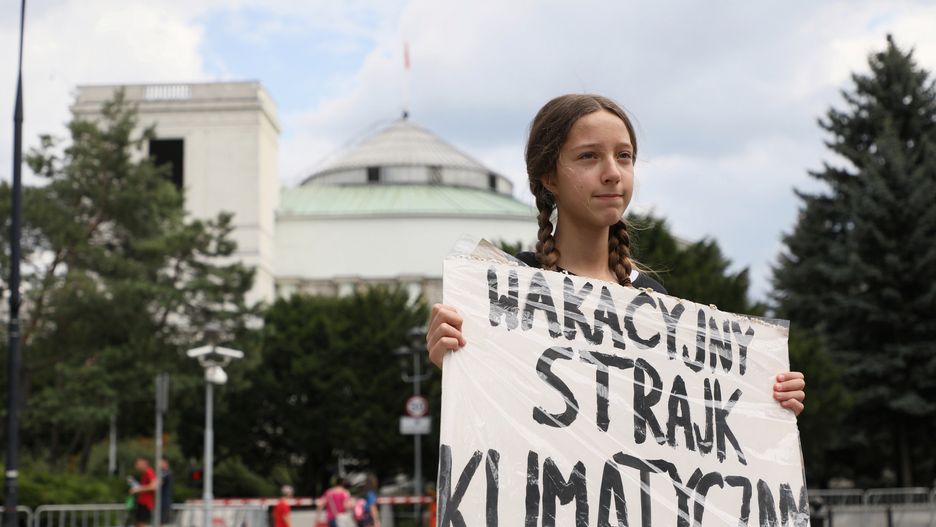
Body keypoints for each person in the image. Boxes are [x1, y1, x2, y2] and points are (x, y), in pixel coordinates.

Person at [425, 93, 806, 416]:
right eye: (589, 157)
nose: (612, 173)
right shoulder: (507, 286)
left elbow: (681, 421)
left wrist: (766, 398)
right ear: (549, 177)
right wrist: (455, 364)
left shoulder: (655, 299)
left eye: (624, 156)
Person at [129, 457, 158, 527]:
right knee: (137, 523)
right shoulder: (144, 473)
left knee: (141, 524)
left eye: (138, 464)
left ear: (144, 463)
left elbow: (154, 486)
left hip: (146, 504)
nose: (136, 466)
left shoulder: (149, 472)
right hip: (142, 503)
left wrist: (138, 489)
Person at [158, 458, 173, 524]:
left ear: (165, 463)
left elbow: (157, 484)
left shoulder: (166, 473)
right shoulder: (161, 473)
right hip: (160, 502)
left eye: (161, 462)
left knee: (161, 523)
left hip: (164, 503)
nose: (158, 464)